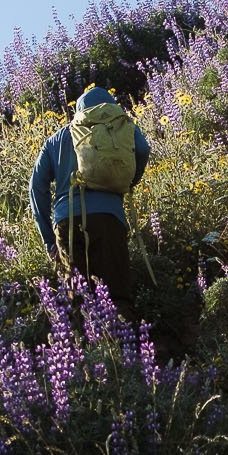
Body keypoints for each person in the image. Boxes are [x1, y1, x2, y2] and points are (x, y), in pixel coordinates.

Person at [29, 84, 150, 309]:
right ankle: (124, 340)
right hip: (109, 217)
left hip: (68, 222)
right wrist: (125, 183)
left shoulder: (58, 138)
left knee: (80, 305)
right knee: (118, 297)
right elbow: (143, 150)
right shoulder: (123, 127)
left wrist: (49, 241)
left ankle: (88, 343)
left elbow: (36, 188)